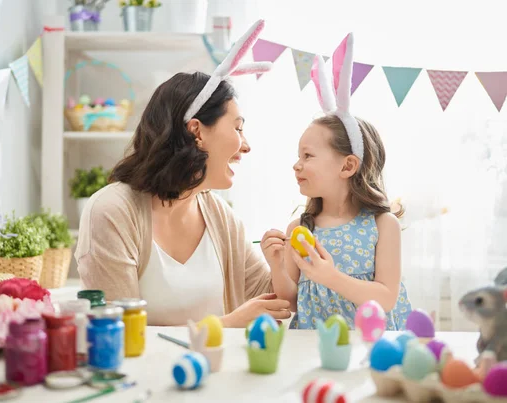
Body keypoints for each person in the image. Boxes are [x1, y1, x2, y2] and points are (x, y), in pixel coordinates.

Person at [75, 20, 291, 328]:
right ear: (197, 132)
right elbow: (117, 337)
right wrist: (227, 325)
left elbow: (270, 302)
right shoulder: (111, 212)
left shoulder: (221, 217)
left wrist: (286, 261)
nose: (247, 146)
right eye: (238, 128)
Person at [260, 33, 412, 330]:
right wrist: (276, 264)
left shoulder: (382, 225)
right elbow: (291, 301)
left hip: (365, 351)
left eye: (308, 155)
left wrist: (329, 277)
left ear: (348, 166)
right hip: (310, 348)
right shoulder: (301, 229)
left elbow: (386, 298)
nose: (297, 164)